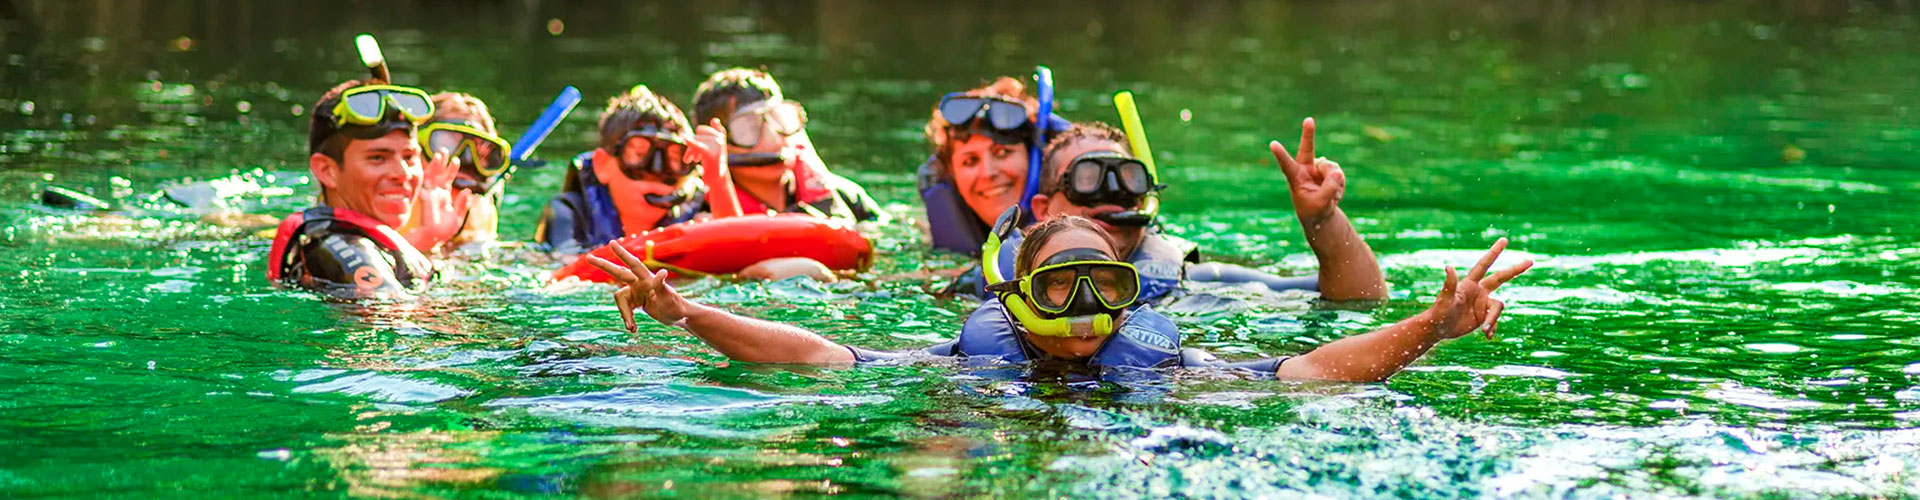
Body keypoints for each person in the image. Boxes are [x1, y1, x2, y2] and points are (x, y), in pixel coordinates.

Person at [586, 215, 1531, 380]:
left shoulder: (1165, 362)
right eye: (1060, 283)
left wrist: (1432, 326)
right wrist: (685, 312)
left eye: (1106, 282)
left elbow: (1315, 371)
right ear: (1015, 293)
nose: (1084, 304)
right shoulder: (972, 360)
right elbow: (811, 351)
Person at [953, 119, 1386, 303]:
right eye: (1088, 179)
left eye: (1128, 179)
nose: (1113, 195)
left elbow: (1358, 299)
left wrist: (1322, 221)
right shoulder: (993, 286)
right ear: (1044, 210)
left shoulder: (1189, 280)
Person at [266, 79, 435, 298]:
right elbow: (392, 322)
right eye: (377, 158)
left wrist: (432, 242)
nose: (403, 173)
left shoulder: (337, 240)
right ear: (327, 170)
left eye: (409, 157)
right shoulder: (345, 250)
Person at [689, 68, 884, 222]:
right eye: (748, 129)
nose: (773, 137)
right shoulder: (697, 212)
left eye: (779, 118)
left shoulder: (846, 198)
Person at [535, 85, 708, 254]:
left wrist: (719, 177)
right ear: (602, 165)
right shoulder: (569, 213)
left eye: (674, 159)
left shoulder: (702, 212)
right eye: (640, 155)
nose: (657, 172)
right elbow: (561, 268)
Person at [916, 76, 1069, 255]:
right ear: (952, 174)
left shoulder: (1083, 232)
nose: (988, 173)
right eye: (970, 161)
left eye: (1003, 153)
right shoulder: (922, 249)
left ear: (1038, 160)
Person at [401, 91, 511, 254]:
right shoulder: (392, 205)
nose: (464, 160)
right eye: (446, 144)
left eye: (480, 151)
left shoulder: (480, 210)